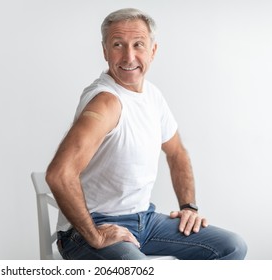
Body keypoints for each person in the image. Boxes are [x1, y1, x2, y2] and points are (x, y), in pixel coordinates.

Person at [45, 8, 247, 260]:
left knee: (232, 246)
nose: (129, 57)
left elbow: (176, 153)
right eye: (118, 44)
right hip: (91, 226)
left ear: (153, 50)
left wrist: (188, 207)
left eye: (138, 44)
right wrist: (95, 236)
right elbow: (59, 174)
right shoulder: (105, 102)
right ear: (105, 50)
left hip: (146, 221)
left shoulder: (152, 96)